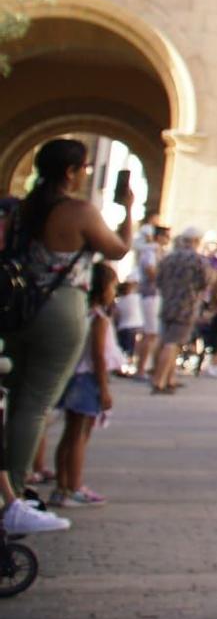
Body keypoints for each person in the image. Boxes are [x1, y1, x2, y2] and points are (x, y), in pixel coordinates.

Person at [3, 139, 129, 495]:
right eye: (83, 168)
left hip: (19, 307)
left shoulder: (22, 209)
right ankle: (12, 492)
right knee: (36, 404)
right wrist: (129, 210)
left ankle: (9, 484)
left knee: (15, 399)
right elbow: (118, 248)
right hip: (61, 308)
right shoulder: (78, 211)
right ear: (70, 172)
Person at [51, 262, 122, 507]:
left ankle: (63, 486)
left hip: (74, 377)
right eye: (113, 286)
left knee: (69, 435)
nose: (115, 291)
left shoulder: (83, 313)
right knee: (80, 436)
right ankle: (74, 485)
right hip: (88, 379)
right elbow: (98, 356)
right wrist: (104, 388)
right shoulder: (99, 319)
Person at [151, 233, 210, 393]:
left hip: (167, 302)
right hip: (186, 305)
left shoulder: (168, 258)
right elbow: (205, 282)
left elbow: (158, 280)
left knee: (165, 339)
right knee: (172, 343)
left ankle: (169, 378)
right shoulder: (198, 260)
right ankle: (160, 380)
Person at [130, 218, 165, 378]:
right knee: (150, 333)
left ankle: (143, 367)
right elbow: (151, 272)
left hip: (152, 293)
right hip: (150, 294)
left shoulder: (153, 251)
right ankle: (141, 369)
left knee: (150, 333)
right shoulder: (150, 252)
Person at [113, 279, 145, 371]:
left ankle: (120, 367)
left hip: (122, 327)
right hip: (134, 327)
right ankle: (128, 367)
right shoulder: (135, 298)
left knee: (123, 348)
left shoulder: (119, 302)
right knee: (130, 349)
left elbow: (116, 316)